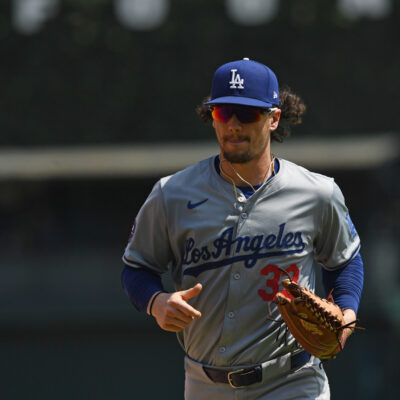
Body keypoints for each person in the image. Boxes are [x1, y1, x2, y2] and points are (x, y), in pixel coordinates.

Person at [121, 58, 364, 399]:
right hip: (206, 386)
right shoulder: (172, 194)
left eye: (247, 114)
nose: (233, 125)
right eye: (223, 113)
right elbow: (137, 268)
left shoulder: (317, 193)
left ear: (274, 118)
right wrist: (156, 301)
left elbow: (345, 261)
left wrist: (347, 316)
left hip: (292, 382)